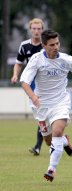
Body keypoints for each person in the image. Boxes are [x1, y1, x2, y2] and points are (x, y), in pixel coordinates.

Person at [20, 29, 72, 182]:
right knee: (48, 141)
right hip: (41, 106)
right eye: (51, 45)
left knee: (57, 131)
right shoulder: (36, 59)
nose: (56, 47)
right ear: (44, 46)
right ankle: (64, 141)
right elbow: (24, 82)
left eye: (57, 43)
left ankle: (51, 169)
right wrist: (33, 97)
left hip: (60, 102)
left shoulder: (67, 60)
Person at [10, 18, 45, 156]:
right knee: (41, 115)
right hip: (31, 85)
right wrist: (15, 75)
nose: (36, 31)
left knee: (43, 114)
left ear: (42, 30)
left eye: (39, 28)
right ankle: (59, 137)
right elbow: (18, 63)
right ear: (30, 30)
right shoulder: (24, 46)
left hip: (45, 84)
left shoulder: (46, 44)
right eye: (34, 28)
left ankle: (38, 146)